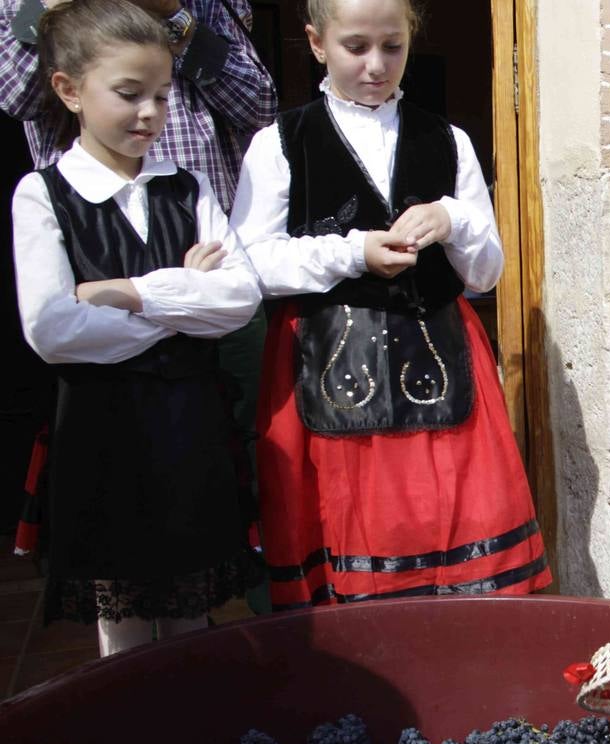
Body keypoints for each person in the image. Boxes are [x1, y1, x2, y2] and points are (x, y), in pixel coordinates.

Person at [230, 0, 550, 609]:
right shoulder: (278, 144)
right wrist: (351, 254)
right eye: (356, 47)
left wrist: (453, 217)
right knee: (349, 529)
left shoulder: (447, 140)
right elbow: (253, 264)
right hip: (326, 361)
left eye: (393, 47)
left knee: (449, 525)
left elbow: (487, 271)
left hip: (439, 353)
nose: (376, 65)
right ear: (317, 43)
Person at [0, 0, 276, 610]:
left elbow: (236, 298)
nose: (150, 112)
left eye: (162, 94)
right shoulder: (42, 195)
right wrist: (183, 299)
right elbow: (53, 328)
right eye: (129, 94)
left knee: (195, 595)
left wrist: (129, 294)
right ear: (70, 91)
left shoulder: (188, 184)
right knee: (120, 608)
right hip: (103, 430)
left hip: (189, 424)